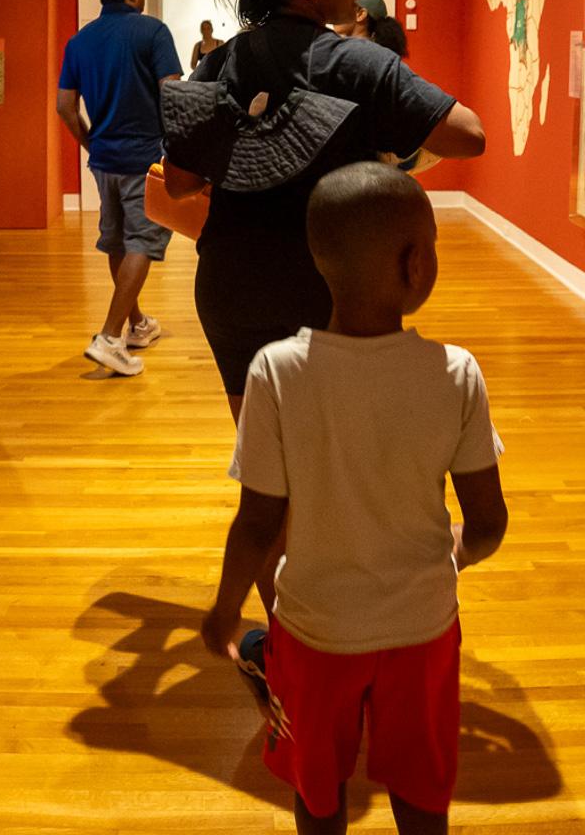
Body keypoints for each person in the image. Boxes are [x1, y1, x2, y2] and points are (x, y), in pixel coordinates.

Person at [201, 161, 509, 835]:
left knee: (318, 789)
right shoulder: (455, 375)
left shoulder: (276, 372)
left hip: (314, 631)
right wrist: (448, 557)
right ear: (416, 266)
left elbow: (256, 524)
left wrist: (225, 613)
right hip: (424, 630)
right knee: (422, 789)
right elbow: (489, 524)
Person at [162, 0, 485, 422]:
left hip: (233, 285)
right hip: (331, 289)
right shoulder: (359, 64)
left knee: (264, 457)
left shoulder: (218, 63)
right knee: (333, 458)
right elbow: (469, 136)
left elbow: (179, 184)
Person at [56, 0, 181, 376]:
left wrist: (93, 144)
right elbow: (173, 95)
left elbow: (65, 109)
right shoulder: (153, 31)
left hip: (104, 161)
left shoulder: (79, 41)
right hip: (145, 159)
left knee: (116, 241)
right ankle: (110, 337)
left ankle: (137, 325)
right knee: (142, 243)